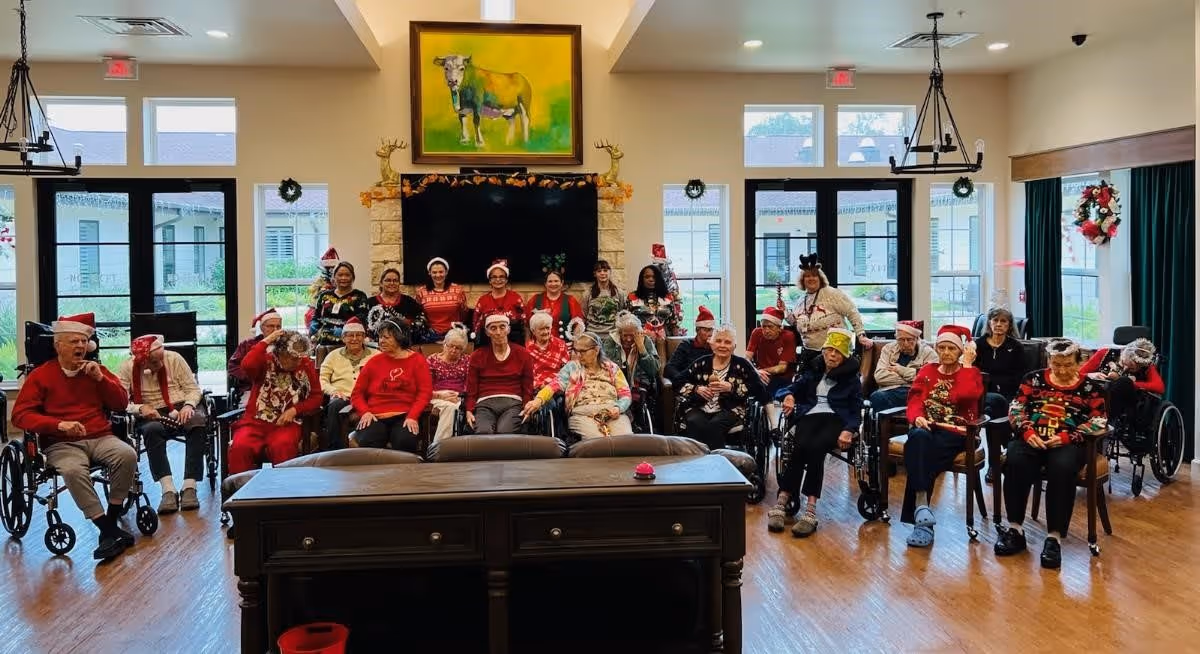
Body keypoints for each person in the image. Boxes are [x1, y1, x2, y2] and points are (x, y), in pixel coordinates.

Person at [11, 313, 137, 560]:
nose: (80, 346)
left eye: (83, 341)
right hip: (61, 443)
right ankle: (107, 529)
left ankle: (110, 522)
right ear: (58, 346)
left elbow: (121, 403)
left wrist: (101, 380)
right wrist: (59, 425)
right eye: (73, 342)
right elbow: (20, 415)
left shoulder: (97, 371)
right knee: (72, 470)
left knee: (127, 454)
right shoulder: (41, 376)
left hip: (100, 436)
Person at [996, 338, 1107, 569]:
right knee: (1015, 460)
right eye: (1057, 364)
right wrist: (1026, 431)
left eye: (1068, 364)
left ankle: (1054, 537)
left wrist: (1069, 437)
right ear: (1049, 361)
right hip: (1032, 437)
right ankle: (1015, 530)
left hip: (1069, 443)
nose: (1062, 370)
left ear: (1079, 362)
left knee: (1062, 467)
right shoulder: (1033, 379)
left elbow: (1099, 421)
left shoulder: (1091, 388)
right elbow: (1016, 408)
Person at [769, 328, 862, 537]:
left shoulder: (851, 380)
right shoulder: (813, 372)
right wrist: (789, 396)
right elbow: (785, 389)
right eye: (828, 350)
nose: (832, 355)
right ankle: (782, 501)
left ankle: (810, 510)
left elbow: (856, 411)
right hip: (809, 415)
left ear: (845, 356)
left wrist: (849, 430)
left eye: (837, 352)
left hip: (836, 420)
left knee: (816, 449)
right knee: (800, 445)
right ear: (823, 351)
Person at [900, 324, 984, 548]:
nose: (946, 352)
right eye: (942, 347)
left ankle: (921, 519)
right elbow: (914, 399)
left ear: (961, 351)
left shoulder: (971, 373)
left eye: (952, 348)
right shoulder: (927, 370)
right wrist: (917, 416)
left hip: (959, 432)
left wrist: (966, 364)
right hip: (929, 428)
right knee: (918, 437)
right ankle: (922, 509)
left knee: (917, 452)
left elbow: (967, 395)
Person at [116, 334, 206, 514]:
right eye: (154, 363)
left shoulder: (174, 359)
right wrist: (140, 408)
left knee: (196, 421)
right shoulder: (127, 367)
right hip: (150, 410)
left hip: (180, 404)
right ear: (142, 362)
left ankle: (190, 486)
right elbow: (120, 401)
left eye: (160, 360)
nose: (160, 365)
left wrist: (189, 405)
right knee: (151, 430)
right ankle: (168, 489)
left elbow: (192, 389)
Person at [227, 330, 323, 475]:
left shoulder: (305, 364)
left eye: (299, 358)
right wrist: (266, 341)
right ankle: (240, 492)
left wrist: (295, 410)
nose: (297, 362)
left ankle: (283, 492)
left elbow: (316, 397)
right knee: (240, 446)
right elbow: (247, 365)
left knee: (283, 445)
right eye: (292, 358)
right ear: (280, 354)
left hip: (286, 424)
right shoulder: (265, 361)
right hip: (254, 422)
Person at [523, 331, 635, 439]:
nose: (578, 355)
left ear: (596, 350)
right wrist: (538, 400)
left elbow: (625, 394)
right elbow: (554, 385)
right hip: (583, 413)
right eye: (576, 351)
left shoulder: (612, 368)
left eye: (583, 351)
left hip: (612, 411)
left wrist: (618, 407)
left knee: (624, 441)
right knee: (598, 442)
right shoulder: (572, 367)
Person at [676, 324, 764, 450]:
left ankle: (717, 462)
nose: (722, 345)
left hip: (731, 409)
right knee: (694, 422)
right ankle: (695, 461)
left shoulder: (742, 365)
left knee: (715, 425)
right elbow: (678, 381)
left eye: (727, 342)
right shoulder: (701, 363)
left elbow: (758, 389)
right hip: (699, 406)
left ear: (734, 346)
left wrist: (732, 388)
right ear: (711, 344)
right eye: (718, 341)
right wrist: (697, 389)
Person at [350, 321, 433, 453]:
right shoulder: (373, 362)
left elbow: (425, 393)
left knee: (405, 441)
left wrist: (413, 416)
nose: (381, 341)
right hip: (374, 415)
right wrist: (365, 412)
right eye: (380, 337)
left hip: (404, 415)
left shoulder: (417, 361)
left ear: (400, 337)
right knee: (370, 439)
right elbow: (357, 394)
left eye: (386, 337)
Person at [778, 254, 872, 369]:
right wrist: (785, 310)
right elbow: (796, 323)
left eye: (814, 275)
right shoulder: (801, 300)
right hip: (809, 353)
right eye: (807, 276)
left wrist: (861, 335)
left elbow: (852, 312)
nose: (811, 278)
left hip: (836, 353)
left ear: (820, 278)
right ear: (802, 280)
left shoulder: (832, 294)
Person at [1080, 337, 1164, 439]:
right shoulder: (1104, 353)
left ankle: (1105, 422)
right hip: (1097, 395)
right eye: (1125, 364)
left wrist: (1132, 383)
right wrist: (1091, 375)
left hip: (1127, 403)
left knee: (1123, 382)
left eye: (1133, 368)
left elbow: (1159, 387)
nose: (1126, 368)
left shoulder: (1146, 364)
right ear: (1124, 353)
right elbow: (1079, 374)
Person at [465, 314, 534, 434]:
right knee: (483, 432)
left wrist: (526, 406)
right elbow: (471, 387)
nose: (498, 332)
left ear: (508, 329)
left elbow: (527, 385)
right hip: (485, 403)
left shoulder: (523, 354)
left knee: (505, 433)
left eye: (502, 327)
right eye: (493, 328)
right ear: (487, 332)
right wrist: (469, 410)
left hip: (513, 403)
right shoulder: (477, 356)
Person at [318, 317, 377, 449]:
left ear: (364, 337)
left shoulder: (376, 355)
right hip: (342, 396)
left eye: (358, 335)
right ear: (343, 338)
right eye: (350, 335)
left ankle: (368, 448)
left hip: (368, 398)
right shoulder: (333, 356)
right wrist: (333, 391)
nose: (354, 339)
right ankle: (335, 449)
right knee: (334, 405)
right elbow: (323, 379)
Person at [746, 306, 798, 430]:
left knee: (783, 395)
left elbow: (781, 368)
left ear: (779, 328)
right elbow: (747, 357)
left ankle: (781, 428)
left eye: (770, 327)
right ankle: (771, 425)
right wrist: (756, 372)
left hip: (782, 378)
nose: (766, 330)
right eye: (764, 326)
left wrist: (761, 371)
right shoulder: (756, 333)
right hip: (761, 376)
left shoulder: (788, 336)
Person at [310, 261, 370, 363]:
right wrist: (314, 333)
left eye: (347, 275)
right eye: (340, 275)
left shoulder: (360, 296)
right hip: (324, 343)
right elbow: (316, 318)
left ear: (353, 277)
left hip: (349, 344)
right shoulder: (324, 296)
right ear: (334, 277)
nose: (343, 278)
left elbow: (361, 320)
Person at [869, 320, 936, 412]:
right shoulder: (888, 349)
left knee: (928, 399)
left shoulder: (928, 352)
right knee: (876, 397)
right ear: (896, 339)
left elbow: (931, 378)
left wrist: (901, 370)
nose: (905, 344)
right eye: (901, 340)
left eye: (909, 339)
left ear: (917, 339)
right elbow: (880, 376)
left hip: (916, 392)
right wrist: (915, 375)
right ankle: (884, 425)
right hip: (891, 391)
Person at [974, 307, 1027, 419]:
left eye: (1003, 321)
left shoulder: (1016, 347)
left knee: (996, 406)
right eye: (995, 320)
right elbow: (973, 372)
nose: (998, 324)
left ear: (1009, 325)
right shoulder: (978, 345)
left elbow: (1020, 376)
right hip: (983, 392)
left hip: (1008, 393)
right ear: (989, 323)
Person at [229, 308, 283, 404]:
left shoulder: (286, 345)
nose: (275, 330)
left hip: (281, 389)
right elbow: (233, 366)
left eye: (278, 327)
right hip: (252, 388)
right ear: (262, 328)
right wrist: (251, 376)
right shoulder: (247, 345)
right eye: (270, 326)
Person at [367, 267, 432, 344]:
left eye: (395, 280)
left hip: (404, 345)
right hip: (377, 345)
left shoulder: (409, 301)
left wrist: (407, 326)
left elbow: (422, 320)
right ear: (381, 283)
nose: (392, 283)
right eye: (388, 280)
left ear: (399, 283)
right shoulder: (370, 302)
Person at [427, 327, 470, 442]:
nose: (453, 350)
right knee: (451, 408)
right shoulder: (432, 360)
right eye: (451, 346)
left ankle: (448, 446)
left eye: (458, 348)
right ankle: (439, 446)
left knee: (458, 407)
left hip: (460, 396)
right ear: (444, 344)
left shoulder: (467, 361)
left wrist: (460, 395)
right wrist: (440, 395)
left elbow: (469, 383)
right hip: (436, 396)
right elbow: (425, 386)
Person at [472, 259, 526, 345]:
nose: (498, 279)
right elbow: (476, 324)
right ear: (489, 280)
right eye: (494, 277)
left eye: (501, 277)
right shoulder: (483, 300)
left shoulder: (515, 298)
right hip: (488, 343)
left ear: (506, 280)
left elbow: (524, 322)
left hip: (513, 342)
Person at [414, 257, 468, 339]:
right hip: (429, 335)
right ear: (429, 273)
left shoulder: (458, 290)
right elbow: (418, 315)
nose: (438, 275)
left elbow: (463, 313)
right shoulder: (421, 292)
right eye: (434, 272)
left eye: (441, 272)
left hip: (454, 333)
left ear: (446, 272)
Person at [663, 305, 715, 388]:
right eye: (706, 330)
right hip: (690, 385)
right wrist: (684, 382)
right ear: (697, 330)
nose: (710, 334)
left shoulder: (714, 347)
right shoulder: (686, 345)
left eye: (711, 330)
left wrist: (714, 350)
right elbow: (669, 368)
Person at [525, 268, 584, 341]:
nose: (553, 284)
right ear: (545, 283)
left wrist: (575, 344)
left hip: (564, 346)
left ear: (562, 282)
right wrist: (527, 344)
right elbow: (527, 325)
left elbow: (578, 324)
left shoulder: (570, 300)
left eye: (556, 281)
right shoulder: (535, 299)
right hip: (539, 347)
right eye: (550, 281)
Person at [627, 264, 678, 340]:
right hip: (641, 340)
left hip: (664, 340)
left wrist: (675, 343)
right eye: (647, 277)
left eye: (654, 277)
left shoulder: (668, 297)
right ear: (642, 279)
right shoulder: (632, 297)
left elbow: (673, 323)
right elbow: (627, 322)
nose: (651, 279)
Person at [526, 310, 571, 388]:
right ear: (533, 331)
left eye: (547, 328)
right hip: (537, 386)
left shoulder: (560, 344)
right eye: (541, 329)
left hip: (557, 384)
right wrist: (540, 385)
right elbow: (528, 373)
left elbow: (566, 368)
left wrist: (555, 384)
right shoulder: (528, 348)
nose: (546, 332)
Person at [583, 259, 627, 335]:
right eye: (599, 271)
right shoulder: (588, 293)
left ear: (610, 273)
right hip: (592, 333)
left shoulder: (619, 293)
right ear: (595, 274)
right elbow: (584, 314)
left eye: (605, 270)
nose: (602, 273)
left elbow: (621, 314)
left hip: (612, 334)